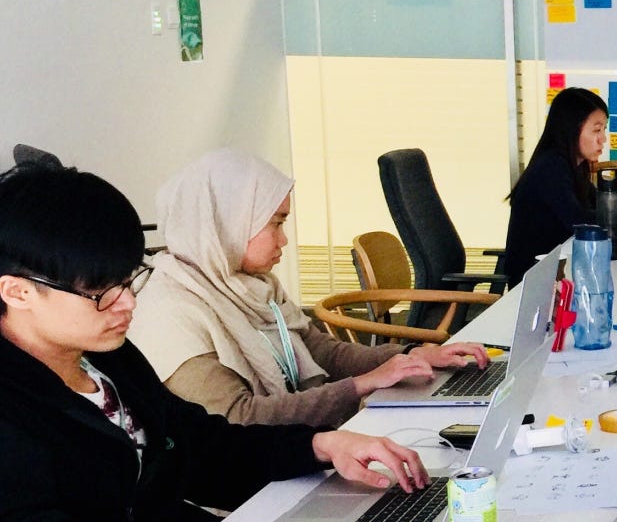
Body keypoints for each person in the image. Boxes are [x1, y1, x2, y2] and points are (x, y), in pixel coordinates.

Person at [0, 163, 431, 522]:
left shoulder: (106, 358)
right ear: (17, 291)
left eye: (129, 280)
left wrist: (321, 445)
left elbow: (198, 447)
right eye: (102, 293)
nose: (128, 303)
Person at [128, 149, 487, 427]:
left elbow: (324, 353)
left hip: (294, 450)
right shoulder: (169, 313)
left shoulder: (251, 284)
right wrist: (363, 384)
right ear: (226, 223)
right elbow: (238, 419)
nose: (283, 240)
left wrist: (410, 356)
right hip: (240, 493)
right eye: (275, 224)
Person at [502, 86, 617, 284]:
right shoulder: (551, 167)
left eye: (604, 129)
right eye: (596, 130)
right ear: (571, 129)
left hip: (562, 270)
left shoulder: (572, 165)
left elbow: (597, 200)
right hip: (536, 281)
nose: (603, 138)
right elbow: (577, 220)